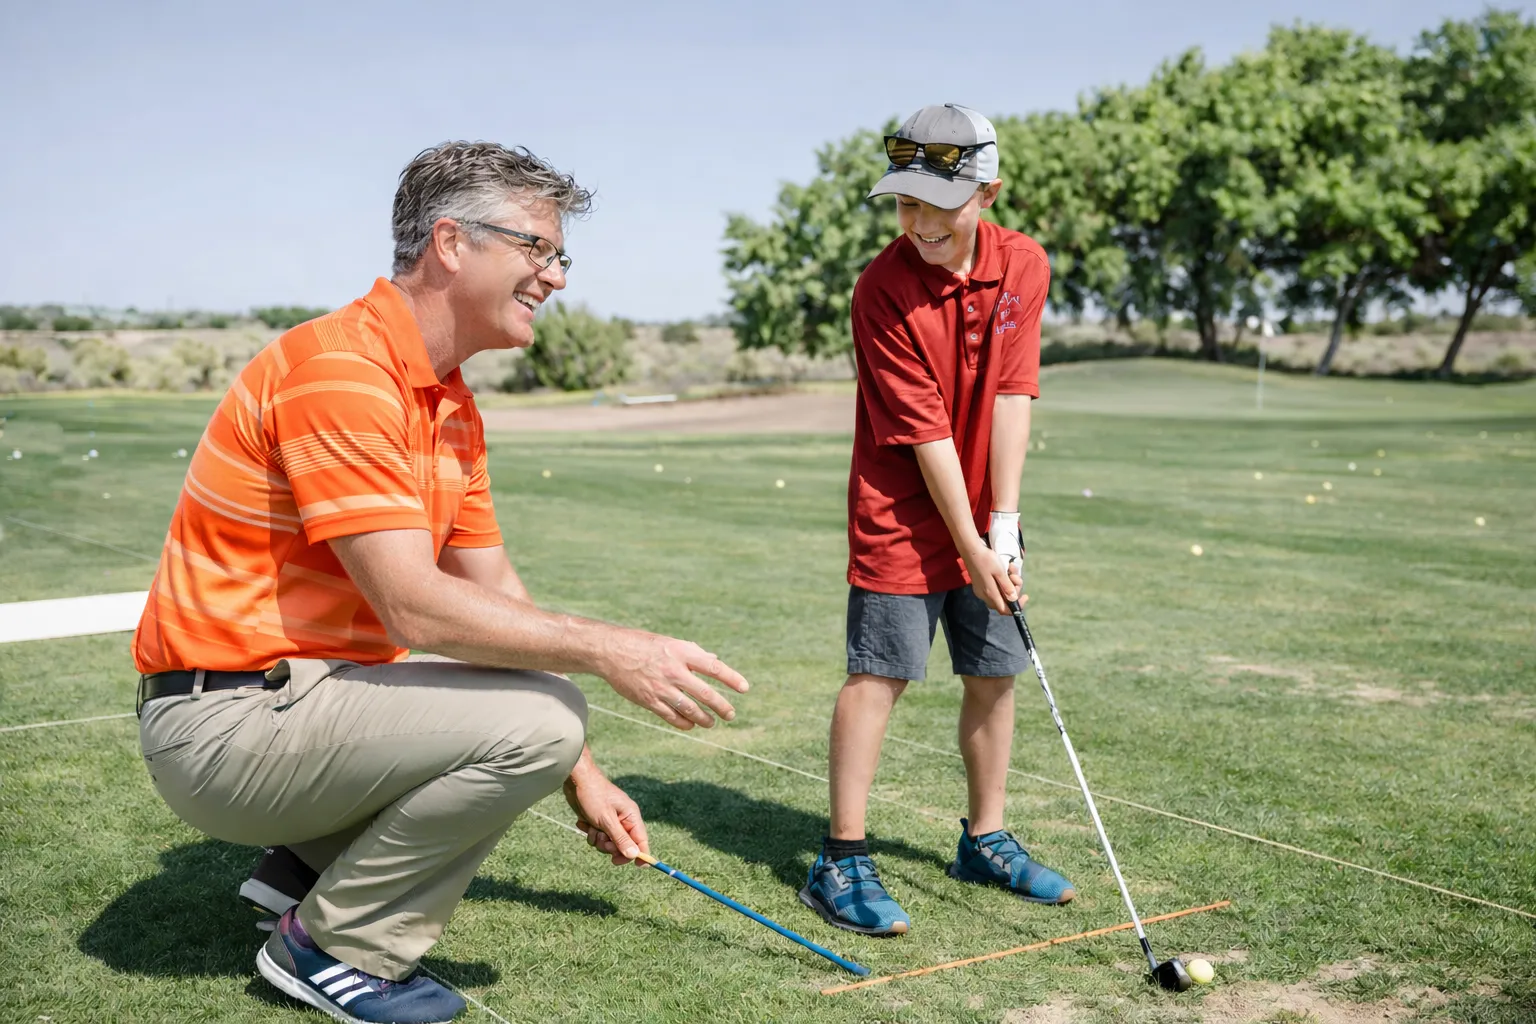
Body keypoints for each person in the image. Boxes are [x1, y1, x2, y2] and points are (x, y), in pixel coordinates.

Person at [132, 141, 749, 1024]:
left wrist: (585, 776)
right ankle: (333, 946)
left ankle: (301, 872)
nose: (556, 276)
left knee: (546, 712)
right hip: (221, 728)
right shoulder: (342, 370)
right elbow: (413, 607)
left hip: (297, 700)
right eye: (538, 248)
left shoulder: (449, 401)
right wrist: (614, 650)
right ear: (451, 243)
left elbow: (496, 594)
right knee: (542, 717)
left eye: (561, 256)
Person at [798, 104, 1074, 937]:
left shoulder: (1024, 263)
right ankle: (840, 858)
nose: (918, 222)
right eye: (905, 202)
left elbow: (1013, 393)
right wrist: (970, 543)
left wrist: (1004, 529)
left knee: (993, 673)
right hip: (900, 509)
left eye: (938, 203)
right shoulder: (881, 289)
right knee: (879, 674)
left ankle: (984, 839)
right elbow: (926, 434)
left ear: (987, 192)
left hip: (984, 510)